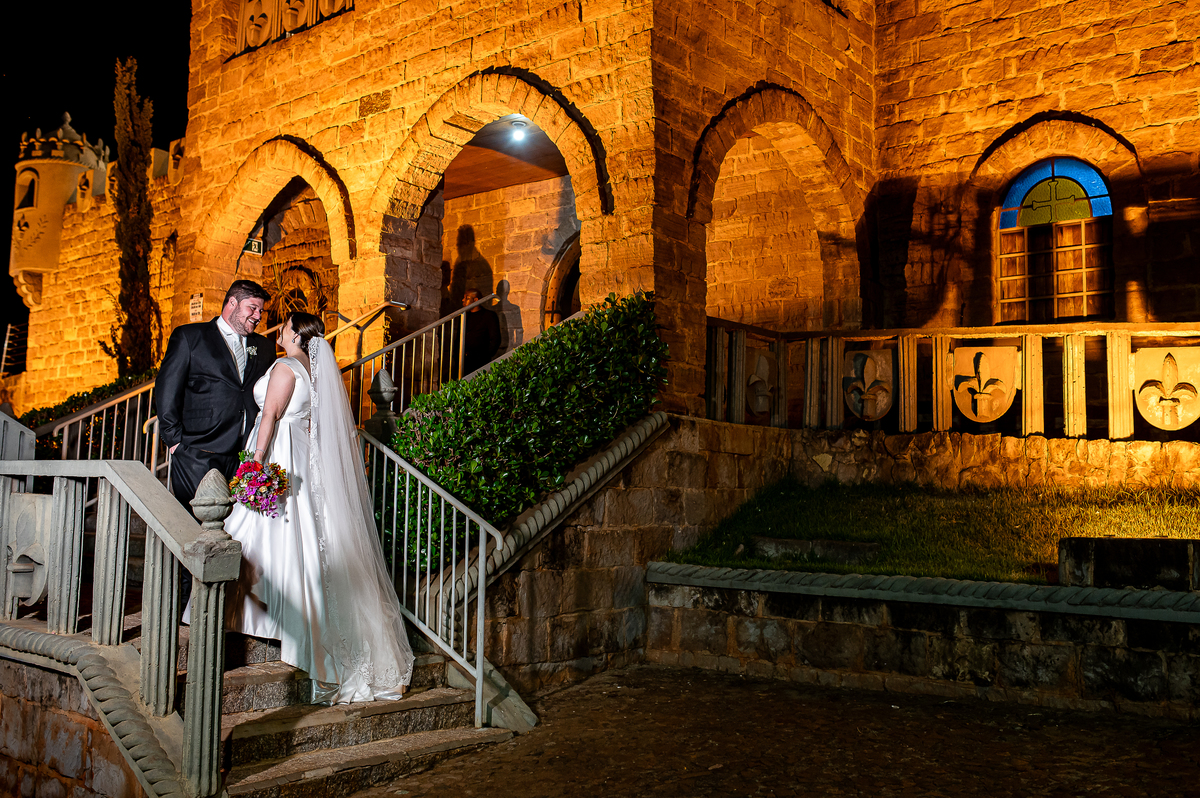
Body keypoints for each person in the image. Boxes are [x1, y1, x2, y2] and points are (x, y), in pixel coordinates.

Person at [187, 312, 413, 704]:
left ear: (295, 334)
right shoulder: (313, 370)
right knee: (299, 533)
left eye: (286, 325)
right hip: (301, 455)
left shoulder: (286, 366)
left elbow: (270, 415)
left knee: (263, 528)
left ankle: (248, 613)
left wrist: (256, 464)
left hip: (279, 451)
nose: (279, 328)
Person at [156, 280, 276, 509]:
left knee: (236, 523)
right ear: (232, 303)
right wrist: (174, 440)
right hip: (197, 448)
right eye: (252, 308)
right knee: (197, 519)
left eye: (261, 311)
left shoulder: (264, 347)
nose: (258, 316)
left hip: (245, 452)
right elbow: (167, 388)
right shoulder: (190, 337)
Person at [459, 288, 501, 376]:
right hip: (463, 360)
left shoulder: (488, 315)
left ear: (476, 300)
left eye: (467, 298)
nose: (463, 300)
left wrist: (485, 355)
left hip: (480, 361)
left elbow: (495, 339)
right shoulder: (464, 316)